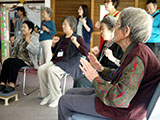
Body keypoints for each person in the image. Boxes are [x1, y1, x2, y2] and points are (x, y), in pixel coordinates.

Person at [58, 7, 160, 120]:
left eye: (117, 24)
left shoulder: (137, 57)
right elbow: (121, 75)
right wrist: (101, 69)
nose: (114, 28)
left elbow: (119, 98)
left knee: (64, 101)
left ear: (126, 31)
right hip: (124, 102)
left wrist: (95, 78)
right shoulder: (136, 50)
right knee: (70, 92)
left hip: (125, 110)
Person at [38, 16, 88, 108]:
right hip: (57, 61)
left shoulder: (78, 37)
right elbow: (56, 52)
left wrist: (76, 43)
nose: (62, 26)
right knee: (41, 69)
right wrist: (53, 44)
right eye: (63, 24)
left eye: (65, 24)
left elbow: (85, 52)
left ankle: (56, 97)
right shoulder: (62, 38)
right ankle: (46, 95)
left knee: (52, 71)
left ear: (71, 26)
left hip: (69, 62)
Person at [74, 16, 123, 88]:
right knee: (77, 80)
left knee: (81, 83)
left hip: (109, 78)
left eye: (103, 29)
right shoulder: (105, 43)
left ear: (112, 30)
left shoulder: (119, 45)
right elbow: (101, 62)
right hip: (99, 73)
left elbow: (122, 66)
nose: (101, 32)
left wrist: (112, 58)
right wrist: (97, 55)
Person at [0, 20, 40, 93]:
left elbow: (36, 51)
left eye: (24, 27)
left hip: (27, 61)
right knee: (6, 61)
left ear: (30, 30)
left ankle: (11, 84)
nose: (22, 29)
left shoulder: (34, 38)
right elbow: (14, 50)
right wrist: (12, 44)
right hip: (17, 58)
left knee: (14, 63)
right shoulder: (19, 38)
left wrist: (29, 42)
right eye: (22, 27)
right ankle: (2, 83)